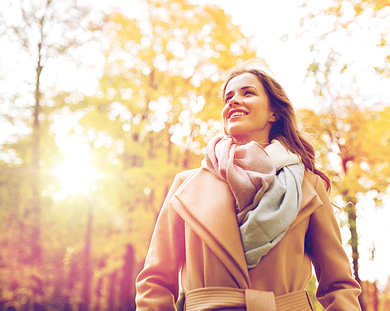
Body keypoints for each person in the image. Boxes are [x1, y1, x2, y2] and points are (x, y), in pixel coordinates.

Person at [135, 61, 362, 311]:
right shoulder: (186, 185)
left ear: (274, 112)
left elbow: (339, 285)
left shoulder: (309, 185)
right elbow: (155, 283)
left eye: (248, 93)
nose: (233, 101)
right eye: (228, 97)